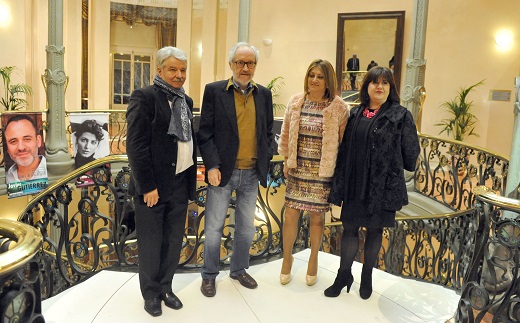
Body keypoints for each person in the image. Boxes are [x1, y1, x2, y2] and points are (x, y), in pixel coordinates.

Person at [324, 66, 420, 300]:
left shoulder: (400, 115)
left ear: (391, 88)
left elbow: (411, 151)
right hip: (356, 183)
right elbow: (345, 149)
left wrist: (397, 167)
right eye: (375, 82)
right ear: (366, 86)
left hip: (382, 185)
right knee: (349, 229)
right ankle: (343, 275)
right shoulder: (356, 113)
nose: (380, 86)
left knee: (375, 230)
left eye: (385, 83)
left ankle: (366, 277)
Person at [197, 42, 274, 297]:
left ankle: (239, 269)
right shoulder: (214, 91)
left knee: (246, 228)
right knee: (214, 227)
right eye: (240, 62)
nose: (245, 67)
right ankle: (209, 274)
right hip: (222, 173)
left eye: (250, 63)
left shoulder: (264, 94)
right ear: (231, 64)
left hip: (252, 173)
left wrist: (266, 159)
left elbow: (267, 133)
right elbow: (205, 134)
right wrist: (212, 165)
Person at [126, 46, 197, 317]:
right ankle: (151, 294)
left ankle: (166, 287)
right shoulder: (144, 97)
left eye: (182, 70)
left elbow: (187, 143)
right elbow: (136, 146)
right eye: (173, 69)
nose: (179, 75)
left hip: (179, 182)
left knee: (173, 241)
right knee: (151, 243)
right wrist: (147, 187)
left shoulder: (186, 101)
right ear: (159, 70)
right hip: (153, 187)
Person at [277, 59, 348, 286]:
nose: (314, 80)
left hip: (321, 172)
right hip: (298, 169)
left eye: (320, 76)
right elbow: (286, 133)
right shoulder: (296, 102)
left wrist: (337, 172)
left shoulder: (339, 107)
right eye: (311, 75)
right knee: (290, 215)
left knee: (317, 217)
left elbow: (344, 142)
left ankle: (313, 259)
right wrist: (287, 160)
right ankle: (287, 258)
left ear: (328, 80)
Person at [3, 114, 47, 183]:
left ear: (38, 141)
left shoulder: (53, 170)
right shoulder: (5, 178)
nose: (21, 147)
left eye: (27, 139)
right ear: (7, 148)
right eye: (13, 141)